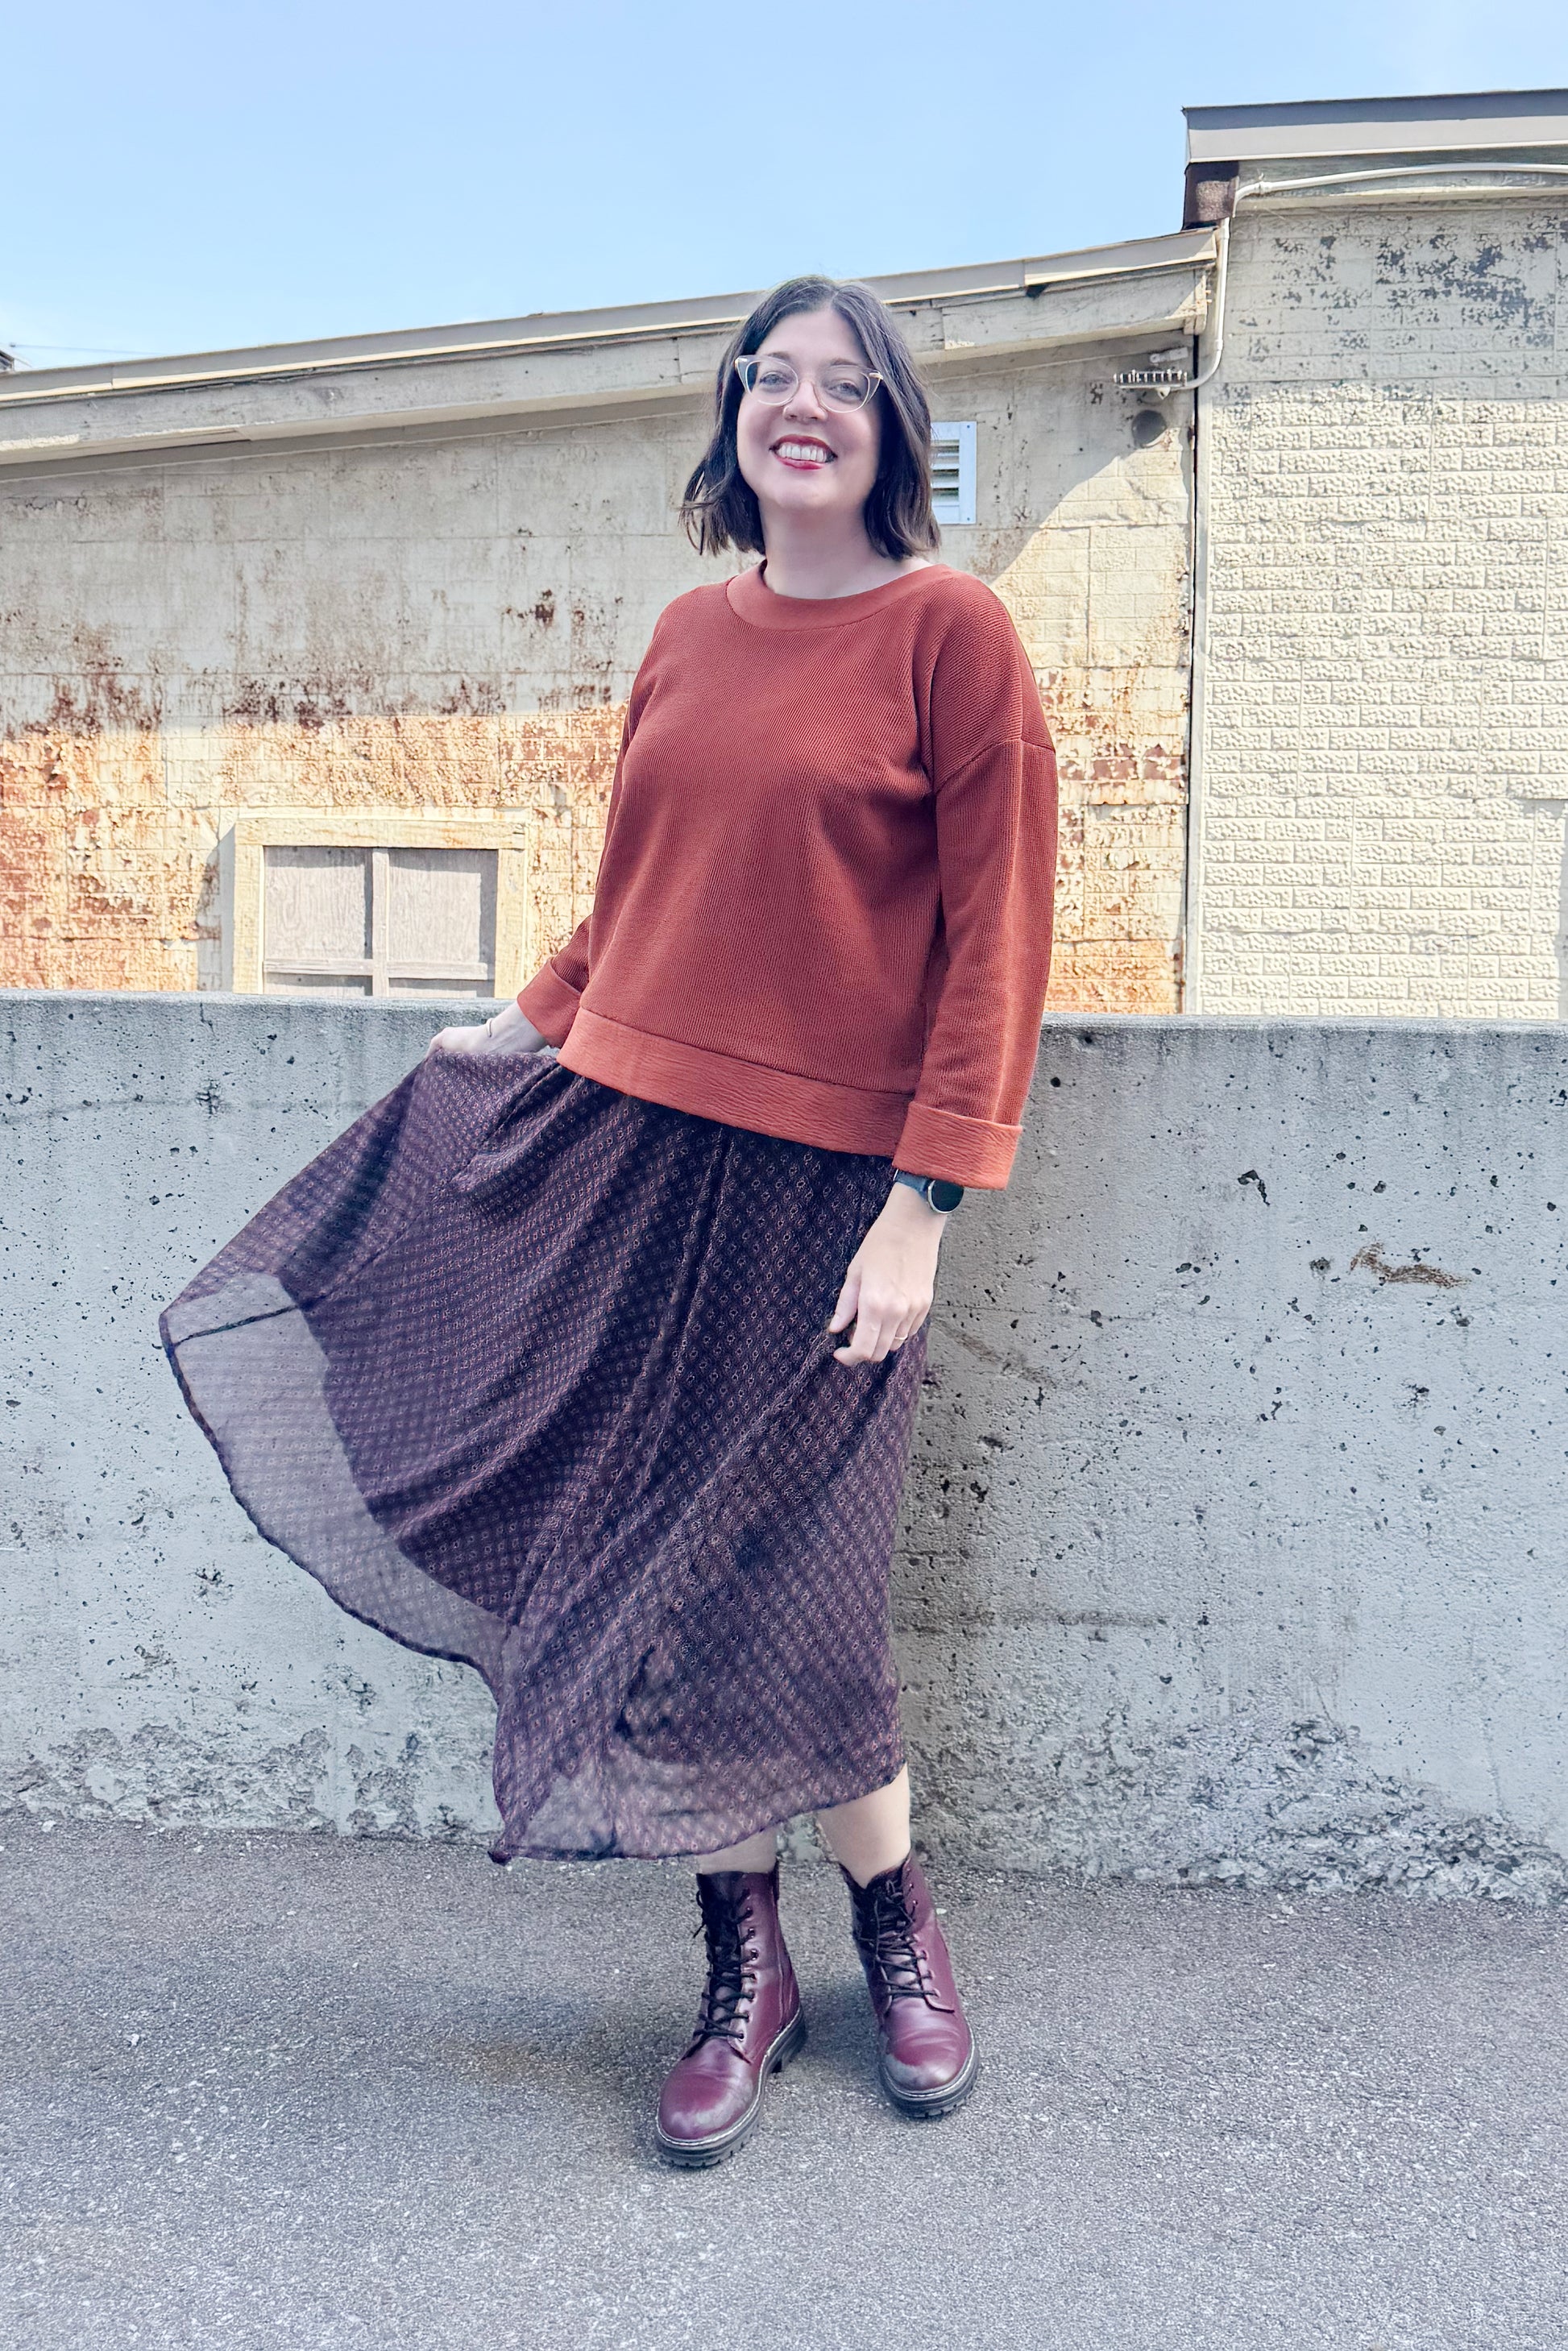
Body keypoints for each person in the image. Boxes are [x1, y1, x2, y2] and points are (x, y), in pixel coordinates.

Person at [162, 275, 1056, 2170]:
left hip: (827, 1197)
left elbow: (996, 953)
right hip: (633, 1153)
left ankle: (896, 1926)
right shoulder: (683, 634)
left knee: (797, 1588)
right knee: (653, 1568)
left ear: (894, 430)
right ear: (734, 415)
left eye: (843, 386)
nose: (800, 408)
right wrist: (516, 1021)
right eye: (770, 379)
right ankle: (739, 1964)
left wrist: (921, 1213)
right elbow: (637, 898)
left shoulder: (948, 634)